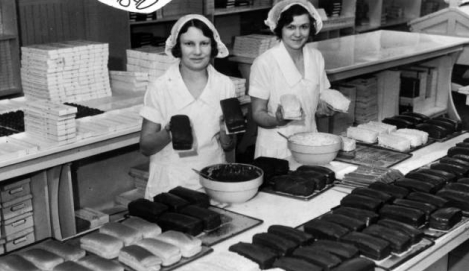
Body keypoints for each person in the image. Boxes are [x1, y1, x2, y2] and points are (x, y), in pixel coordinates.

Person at [139, 14, 237, 199]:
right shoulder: (160, 87)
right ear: (178, 47)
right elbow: (145, 147)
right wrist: (168, 132)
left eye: (204, 43)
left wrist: (226, 132)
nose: (198, 51)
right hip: (171, 186)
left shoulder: (225, 85)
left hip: (213, 179)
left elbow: (229, 146)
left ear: (213, 45)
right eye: (189, 44)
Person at [249, 0, 350, 159]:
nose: (298, 34)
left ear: (311, 28)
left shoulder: (316, 57)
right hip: (277, 148)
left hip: (310, 143)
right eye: (291, 27)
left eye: (304, 27)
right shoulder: (264, 62)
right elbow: (257, 113)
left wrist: (324, 109)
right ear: (279, 28)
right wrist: (278, 120)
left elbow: (317, 104)